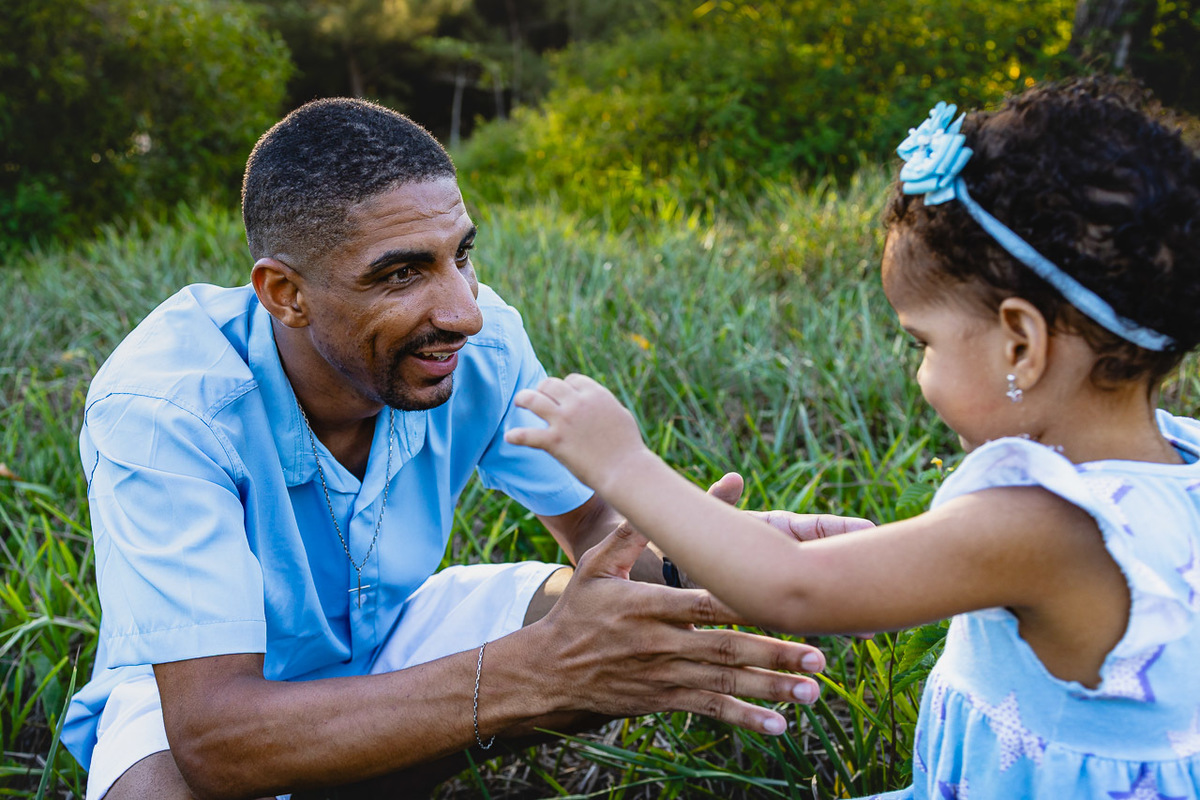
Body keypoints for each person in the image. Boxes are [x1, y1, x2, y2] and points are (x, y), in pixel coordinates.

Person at [60, 98, 857, 800]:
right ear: (285, 293)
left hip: (388, 637)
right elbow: (214, 738)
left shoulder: (479, 344)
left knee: (615, 622)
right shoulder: (165, 405)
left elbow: (597, 533)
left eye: (461, 256)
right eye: (403, 273)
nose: (464, 311)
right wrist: (545, 670)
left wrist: (720, 559)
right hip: (207, 695)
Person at [507, 78, 1200, 798]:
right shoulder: (1181, 462)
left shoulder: (1040, 518)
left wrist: (623, 463)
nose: (922, 375)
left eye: (921, 343)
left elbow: (793, 589)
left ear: (1020, 343)